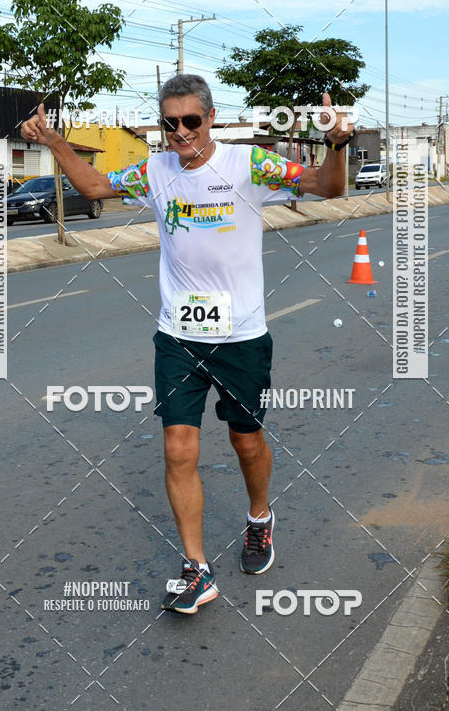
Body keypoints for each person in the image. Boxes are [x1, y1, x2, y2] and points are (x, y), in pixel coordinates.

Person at [21, 74, 354, 615]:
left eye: (190, 121)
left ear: (211, 118)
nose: (180, 133)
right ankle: (196, 569)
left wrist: (337, 143)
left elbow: (327, 187)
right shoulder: (155, 172)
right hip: (178, 335)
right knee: (178, 447)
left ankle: (260, 517)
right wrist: (56, 142)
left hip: (241, 337)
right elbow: (97, 188)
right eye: (169, 123)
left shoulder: (251, 165)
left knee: (247, 443)